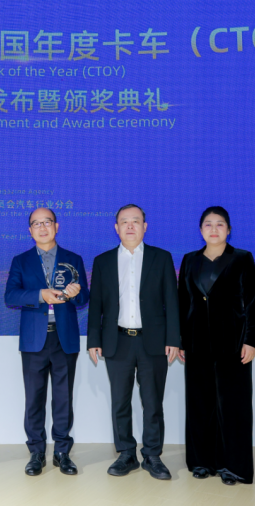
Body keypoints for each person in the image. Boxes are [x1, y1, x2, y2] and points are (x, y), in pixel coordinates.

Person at [87, 204, 180, 480]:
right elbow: (96, 305)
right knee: (120, 401)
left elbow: (172, 301)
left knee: (152, 402)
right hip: (116, 340)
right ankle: (126, 453)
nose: (130, 226)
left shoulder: (161, 258)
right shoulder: (103, 261)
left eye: (136, 221)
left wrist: (173, 338)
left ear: (145, 227)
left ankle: (152, 455)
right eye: (124, 221)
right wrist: (94, 340)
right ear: (116, 228)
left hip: (154, 341)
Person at [178, 206, 255, 486]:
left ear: (229, 229)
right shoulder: (189, 260)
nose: (214, 229)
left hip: (233, 345)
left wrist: (251, 341)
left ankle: (233, 466)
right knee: (200, 405)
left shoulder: (242, 258)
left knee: (233, 406)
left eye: (220, 224)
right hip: (196, 345)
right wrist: (180, 340)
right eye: (208, 224)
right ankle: (202, 461)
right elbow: (183, 302)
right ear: (200, 230)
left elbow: (252, 303)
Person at [4, 208, 90, 476]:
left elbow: (84, 298)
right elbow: (11, 296)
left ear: (57, 226)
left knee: (63, 398)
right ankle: (36, 452)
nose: (42, 227)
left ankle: (62, 452)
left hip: (64, 338)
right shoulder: (21, 261)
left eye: (47, 222)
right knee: (34, 399)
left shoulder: (73, 259)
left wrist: (75, 293)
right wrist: (40, 294)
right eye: (36, 224)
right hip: (34, 340)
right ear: (30, 230)